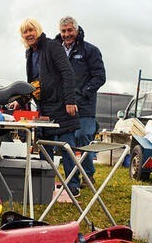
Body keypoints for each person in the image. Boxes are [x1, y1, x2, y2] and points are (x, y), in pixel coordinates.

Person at [17, 18, 79, 195]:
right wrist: (21, 101)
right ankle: (46, 186)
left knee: (66, 146)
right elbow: (33, 83)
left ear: (38, 30)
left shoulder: (53, 47)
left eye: (31, 30)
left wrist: (70, 100)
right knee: (44, 147)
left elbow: (67, 72)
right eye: (25, 32)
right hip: (43, 106)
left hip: (61, 104)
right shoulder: (30, 53)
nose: (29, 34)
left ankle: (73, 186)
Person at [56, 16, 105, 187]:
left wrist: (84, 94)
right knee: (67, 143)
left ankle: (88, 174)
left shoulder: (90, 51)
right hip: (63, 106)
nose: (66, 34)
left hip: (84, 106)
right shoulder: (57, 51)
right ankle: (72, 179)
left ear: (76, 31)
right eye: (63, 31)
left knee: (83, 137)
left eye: (70, 30)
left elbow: (100, 76)